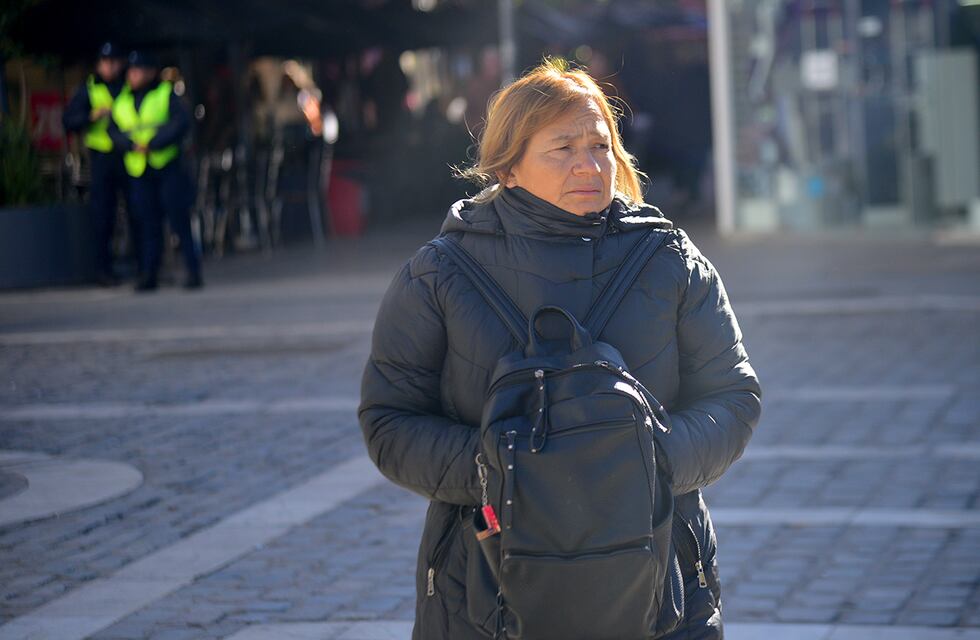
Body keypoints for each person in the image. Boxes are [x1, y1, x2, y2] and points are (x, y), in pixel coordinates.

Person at [359, 59, 762, 639]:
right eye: (563, 148)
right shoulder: (439, 274)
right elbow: (389, 421)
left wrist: (647, 462)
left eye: (600, 145)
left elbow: (733, 396)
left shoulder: (670, 259)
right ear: (508, 167)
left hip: (657, 587)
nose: (589, 165)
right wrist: (501, 470)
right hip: (484, 588)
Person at [109, 50, 202, 291]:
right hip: (139, 169)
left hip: (167, 166)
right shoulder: (121, 100)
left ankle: (193, 271)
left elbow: (180, 123)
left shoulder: (165, 94)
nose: (133, 75)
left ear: (150, 72)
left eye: (138, 70)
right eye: (131, 71)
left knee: (178, 219)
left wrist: (153, 143)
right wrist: (130, 145)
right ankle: (149, 274)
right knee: (147, 223)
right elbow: (113, 131)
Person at [62, 42, 128, 286]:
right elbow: (69, 121)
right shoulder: (88, 90)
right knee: (103, 215)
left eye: (114, 62)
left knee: (138, 211)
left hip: (129, 156)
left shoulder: (127, 87)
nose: (110, 67)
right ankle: (104, 269)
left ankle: (145, 267)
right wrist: (91, 116)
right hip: (101, 158)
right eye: (105, 62)